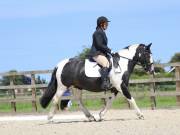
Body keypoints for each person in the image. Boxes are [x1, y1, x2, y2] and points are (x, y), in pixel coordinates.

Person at [88, 16, 112, 90]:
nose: (107, 25)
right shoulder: (97, 32)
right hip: (96, 53)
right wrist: (109, 50)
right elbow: (99, 45)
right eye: (106, 24)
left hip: (101, 53)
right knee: (105, 63)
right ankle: (104, 83)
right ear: (101, 24)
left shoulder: (101, 32)